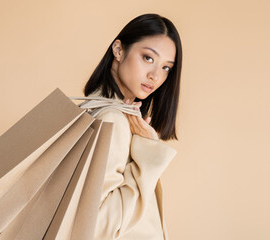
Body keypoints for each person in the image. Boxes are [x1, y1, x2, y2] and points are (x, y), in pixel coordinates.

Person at [82, 13, 182, 240]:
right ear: (118, 50)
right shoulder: (112, 120)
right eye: (148, 58)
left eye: (166, 68)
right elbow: (97, 226)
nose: (155, 76)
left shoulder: (93, 110)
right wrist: (147, 156)